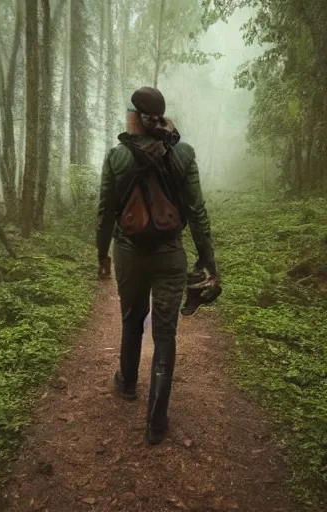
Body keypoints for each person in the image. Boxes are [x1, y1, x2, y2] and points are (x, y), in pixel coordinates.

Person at [96, 86, 219, 445]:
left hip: (128, 253)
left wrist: (101, 255)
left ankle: (128, 383)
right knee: (165, 335)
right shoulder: (183, 154)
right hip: (170, 256)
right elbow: (196, 212)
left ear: (135, 116)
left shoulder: (116, 157)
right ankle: (156, 421)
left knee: (132, 319)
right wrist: (208, 262)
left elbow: (105, 213)